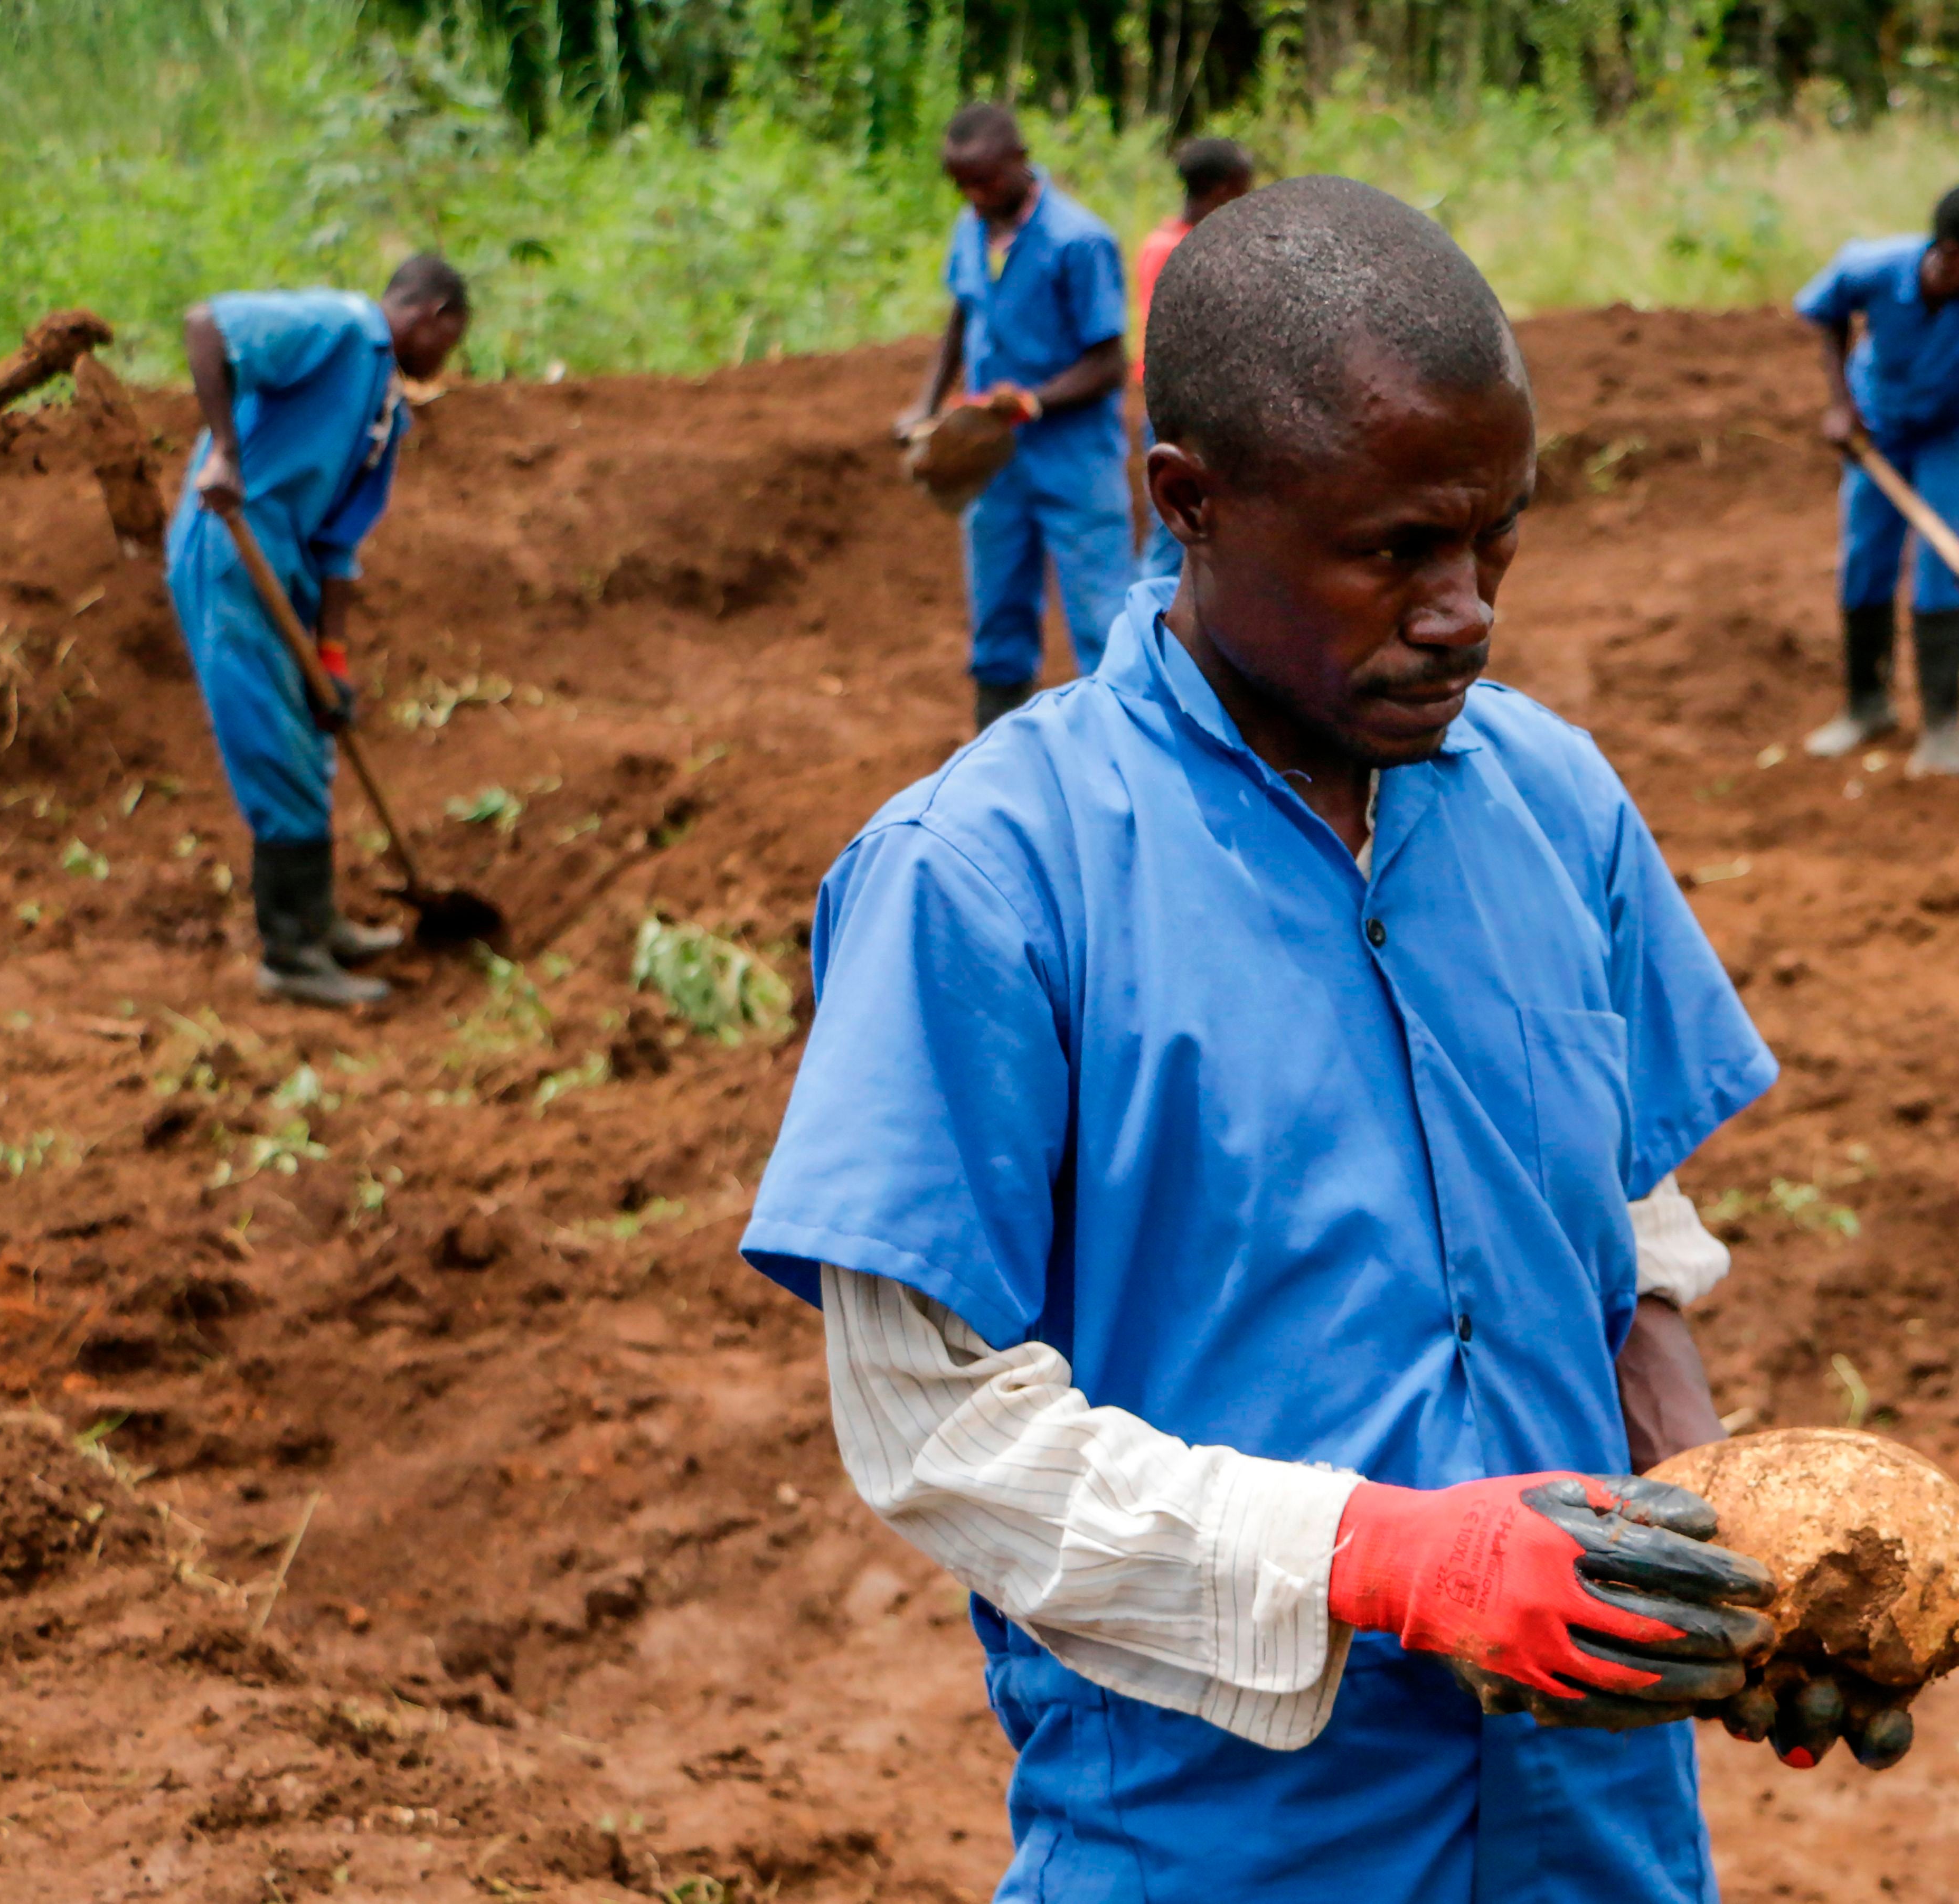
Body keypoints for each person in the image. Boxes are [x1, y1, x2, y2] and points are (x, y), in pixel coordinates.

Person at [745, 176, 1878, 1904]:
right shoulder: (985, 876)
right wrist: (1385, 1556)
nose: (1464, 608)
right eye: (1394, 551)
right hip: (1225, 1843)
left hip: (1595, 1834)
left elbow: (1621, 1229)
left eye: (1493, 536)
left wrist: (1726, 1552)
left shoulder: (1552, 800)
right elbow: (933, 1423)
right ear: (1186, 503)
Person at [164, 255, 470, 1008]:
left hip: (290, 573)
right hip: (230, 550)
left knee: (310, 739)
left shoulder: (384, 414)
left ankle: (321, 922)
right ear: (431, 315)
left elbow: (339, 547)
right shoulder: (339, 326)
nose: (444, 361)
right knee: (272, 743)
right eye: (450, 342)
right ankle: (290, 955)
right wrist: (226, 454)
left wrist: (329, 662)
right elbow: (208, 324)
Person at [1794, 183, 1959, 778]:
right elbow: (1825, 313)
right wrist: (1840, 404)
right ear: (1950, 255)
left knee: (1945, 566)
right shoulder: (1874, 268)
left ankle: (1941, 725)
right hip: (1877, 427)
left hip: (1950, 435)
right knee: (1864, 559)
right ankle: (1866, 707)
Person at [897, 102, 1132, 731]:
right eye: (961, 185)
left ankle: (1126, 745)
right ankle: (996, 741)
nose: (974, 196)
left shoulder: (1078, 240)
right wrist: (925, 405)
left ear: (1020, 164)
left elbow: (1110, 360)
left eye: (985, 181)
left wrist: (1034, 402)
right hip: (993, 460)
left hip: (1074, 457)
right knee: (996, 608)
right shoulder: (970, 229)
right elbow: (960, 316)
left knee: (1101, 612)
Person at [1132, 135, 1255, 583]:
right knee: (1174, 531)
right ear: (1224, 192)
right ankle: (1156, 635)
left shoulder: (1162, 242)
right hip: (1187, 407)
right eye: (1245, 190)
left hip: (1185, 401)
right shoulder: (1187, 250)